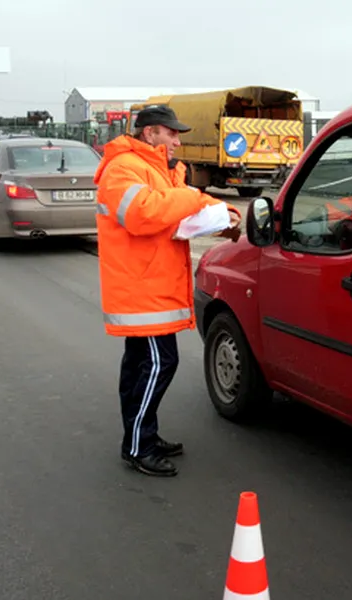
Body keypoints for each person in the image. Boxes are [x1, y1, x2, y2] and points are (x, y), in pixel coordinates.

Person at [93, 105, 241, 477]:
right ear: (150, 134)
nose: (177, 141)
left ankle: (143, 436)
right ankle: (138, 446)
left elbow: (185, 205)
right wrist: (196, 199)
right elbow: (143, 213)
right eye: (171, 134)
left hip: (152, 287)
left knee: (140, 366)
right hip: (142, 289)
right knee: (160, 363)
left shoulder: (164, 171)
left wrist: (223, 212)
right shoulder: (123, 167)